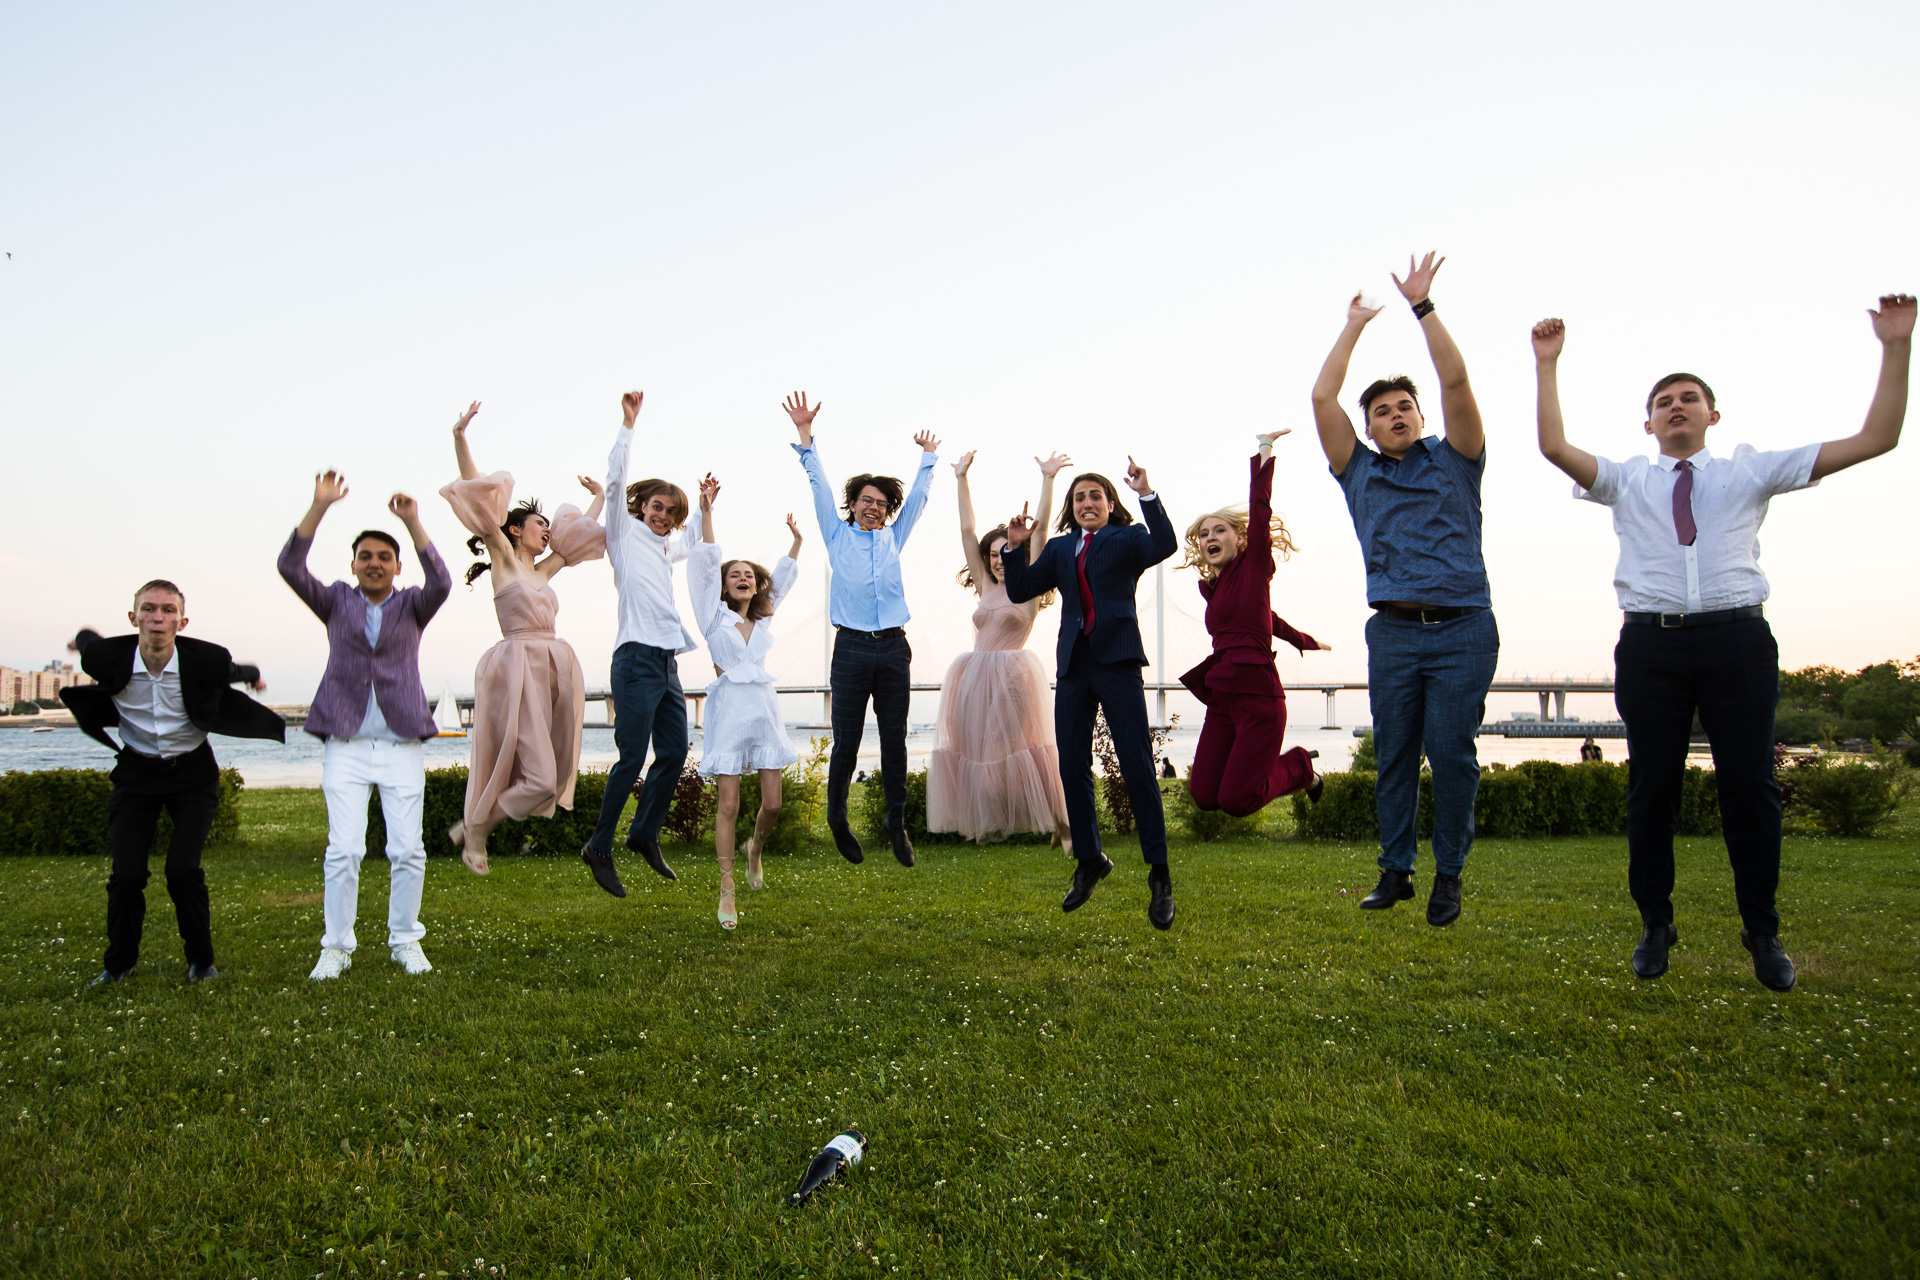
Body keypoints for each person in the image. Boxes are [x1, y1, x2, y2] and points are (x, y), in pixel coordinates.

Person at [1532, 294, 1914, 992]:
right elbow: (1554, 448)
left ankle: (1762, 932)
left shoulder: (1749, 470)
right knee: (1652, 789)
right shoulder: (1628, 480)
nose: (1676, 407)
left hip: (1737, 641)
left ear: (1713, 415)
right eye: (1664, 402)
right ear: (1648, 423)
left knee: (1750, 787)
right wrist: (1547, 365)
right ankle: (1656, 923)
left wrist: (1896, 346)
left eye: (1690, 398)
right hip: (1650, 646)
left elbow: (1877, 438)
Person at [1310, 251, 1498, 928]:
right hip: (1392, 630)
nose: (1396, 415)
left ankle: (1449, 875)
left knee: (1451, 755)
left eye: (1404, 407)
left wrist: (1423, 306)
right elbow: (1323, 400)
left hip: (1463, 628)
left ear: (1420, 416)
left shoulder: (1458, 459)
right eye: (1382, 411)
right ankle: (1396, 870)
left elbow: (1456, 378)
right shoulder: (1358, 472)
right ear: (1368, 427)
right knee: (1394, 754)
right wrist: (1354, 325)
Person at [61, 583, 284, 986]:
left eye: (168, 611)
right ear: (134, 618)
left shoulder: (208, 659)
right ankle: (118, 965)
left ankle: (201, 962)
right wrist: (79, 641)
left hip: (192, 774)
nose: (158, 618)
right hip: (136, 772)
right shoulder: (106, 657)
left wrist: (254, 677)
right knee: (127, 875)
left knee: (182, 870)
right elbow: (87, 639)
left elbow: (236, 671)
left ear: (182, 622)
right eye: (149, 609)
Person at [280, 472, 450, 979]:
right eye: (365, 557)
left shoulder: (413, 605)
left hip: (401, 745)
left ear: (397, 566)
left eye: (384, 557)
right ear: (353, 565)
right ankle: (336, 947)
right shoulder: (335, 601)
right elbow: (290, 566)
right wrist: (320, 505)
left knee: (408, 850)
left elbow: (441, 582)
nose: (374, 563)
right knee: (345, 849)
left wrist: (413, 522)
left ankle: (405, 941)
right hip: (346, 743)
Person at [1001, 459, 1180, 929]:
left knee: (1137, 766)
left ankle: (1159, 874)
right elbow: (1020, 589)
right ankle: (1089, 859)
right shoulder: (1060, 548)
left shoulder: (1129, 539)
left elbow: (1165, 544)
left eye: (1095, 496)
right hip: (1074, 667)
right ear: (1072, 507)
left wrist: (1147, 493)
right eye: (1079, 497)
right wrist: (1015, 547)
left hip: (1118, 661)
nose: (1086, 503)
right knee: (1072, 768)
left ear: (1110, 504)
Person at [439, 400, 608, 875]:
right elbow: (477, 494)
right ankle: (476, 832)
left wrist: (600, 497)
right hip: (515, 671)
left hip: (548, 673)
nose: (548, 531)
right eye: (540, 525)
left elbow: (580, 536)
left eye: (549, 526)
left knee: (547, 778)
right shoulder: (503, 558)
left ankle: (474, 826)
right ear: (515, 530)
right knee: (538, 778)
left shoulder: (545, 570)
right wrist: (459, 437)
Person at [783, 391, 939, 868]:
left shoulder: (894, 536)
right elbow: (819, 485)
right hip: (850, 649)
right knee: (847, 742)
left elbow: (919, 500)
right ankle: (837, 818)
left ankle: (897, 822)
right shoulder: (836, 534)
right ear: (851, 505)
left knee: (894, 740)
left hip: (893, 649)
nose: (874, 507)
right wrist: (806, 434)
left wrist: (928, 457)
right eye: (866, 501)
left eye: (882, 504)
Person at [582, 390, 703, 897]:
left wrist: (705, 508)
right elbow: (614, 482)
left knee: (674, 751)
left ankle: (644, 834)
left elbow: (692, 541)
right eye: (657, 507)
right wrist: (627, 424)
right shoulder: (624, 535)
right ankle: (599, 847)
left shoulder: (663, 546)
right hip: (634, 658)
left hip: (666, 661)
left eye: (671, 512)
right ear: (641, 505)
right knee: (632, 758)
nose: (663, 516)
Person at [1179, 431, 1330, 817]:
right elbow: (1267, 618)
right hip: (1223, 696)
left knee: (1236, 800)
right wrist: (1302, 639)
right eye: (1204, 534)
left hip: (1259, 697)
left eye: (1219, 530)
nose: (1210, 537)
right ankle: (1290, 767)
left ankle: (1300, 767)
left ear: (1240, 538)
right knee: (1205, 795)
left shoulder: (1254, 565)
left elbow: (1260, 509)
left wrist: (1265, 450)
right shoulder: (1215, 590)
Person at [927, 449, 1072, 847]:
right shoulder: (985, 587)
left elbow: (1040, 534)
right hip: (973, 680)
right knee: (977, 755)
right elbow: (967, 532)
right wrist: (961, 478)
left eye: (1003, 553)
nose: (997, 561)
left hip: (1011, 680)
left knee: (1011, 753)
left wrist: (1048, 479)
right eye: (992, 555)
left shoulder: (1029, 589)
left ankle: (1061, 821)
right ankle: (1054, 823)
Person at [689, 475, 805, 929]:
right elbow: (705, 563)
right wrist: (707, 513)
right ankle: (727, 887)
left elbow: (784, 582)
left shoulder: (764, 619)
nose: (742, 578)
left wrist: (795, 543)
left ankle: (755, 848)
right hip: (728, 714)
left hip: (763, 712)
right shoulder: (711, 617)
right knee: (729, 804)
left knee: (772, 804)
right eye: (734, 575)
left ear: (757, 588)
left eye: (749, 576)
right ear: (724, 586)